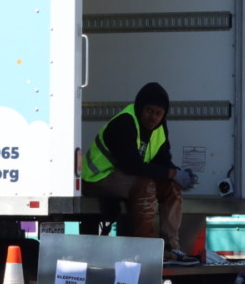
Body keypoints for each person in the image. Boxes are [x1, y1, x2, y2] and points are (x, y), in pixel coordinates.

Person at [80, 82, 197, 262]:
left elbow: (162, 160)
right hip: (97, 178)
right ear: (139, 107)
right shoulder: (124, 122)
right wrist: (171, 173)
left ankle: (171, 247)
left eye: (158, 113)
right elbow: (131, 166)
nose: (153, 118)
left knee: (171, 187)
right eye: (149, 111)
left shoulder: (160, 128)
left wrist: (177, 174)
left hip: (124, 177)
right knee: (146, 185)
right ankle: (145, 248)